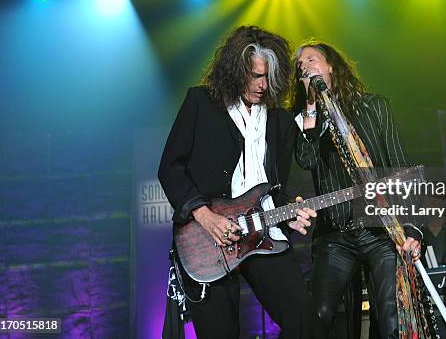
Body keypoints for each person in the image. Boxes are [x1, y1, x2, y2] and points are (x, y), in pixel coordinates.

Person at [158, 26, 318, 339]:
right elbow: (170, 167)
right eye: (255, 76)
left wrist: (293, 211)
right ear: (234, 71)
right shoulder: (201, 103)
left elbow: (281, 184)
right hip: (208, 239)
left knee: (304, 322)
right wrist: (204, 216)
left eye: (267, 77)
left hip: (264, 234)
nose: (262, 85)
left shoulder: (279, 120)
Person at [291, 41, 423, 339]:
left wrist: (413, 228)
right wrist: (311, 106)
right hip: (335, 236)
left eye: (312, 60)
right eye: (301, 67)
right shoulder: (306, 121)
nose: (306, 67)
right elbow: (307, 159)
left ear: (331, 67)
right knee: (318, 316)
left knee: (391, 317)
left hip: (380, 232)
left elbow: (402, 168)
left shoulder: (374, 106)